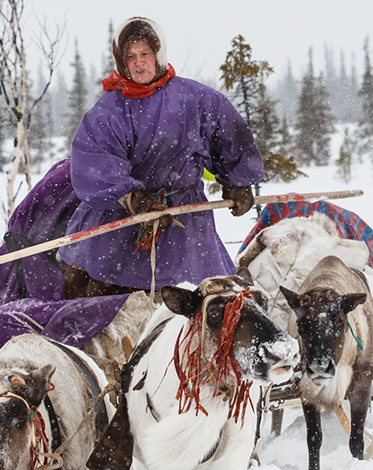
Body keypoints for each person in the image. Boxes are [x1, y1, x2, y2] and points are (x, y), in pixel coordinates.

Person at [59, 17, 260, 294]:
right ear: (121, 61)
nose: (139, 63)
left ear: (159, 55)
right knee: (107, 301)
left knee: (202, 296)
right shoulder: (109, 110)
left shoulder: (195, 98)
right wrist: (133, 197)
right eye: (130, 56)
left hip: (184, 218)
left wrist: (238, 182)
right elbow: (95, 158)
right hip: (123, 221)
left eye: (145, 54)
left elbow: (227, 134)